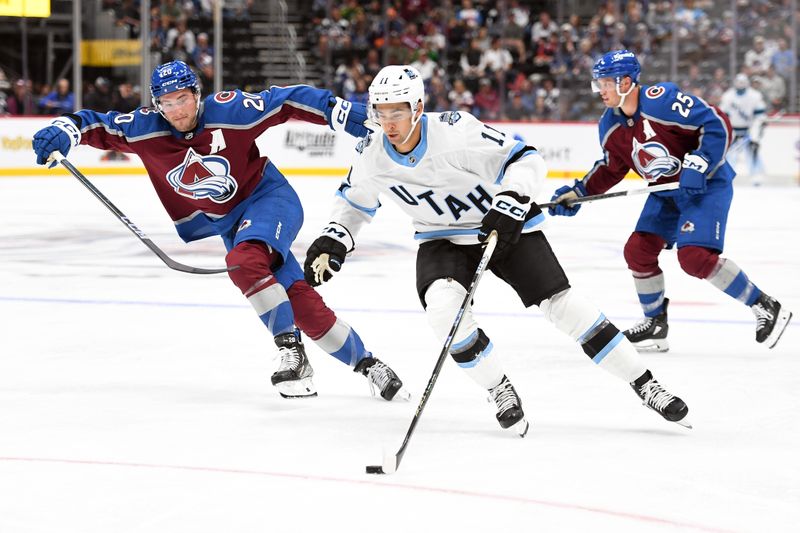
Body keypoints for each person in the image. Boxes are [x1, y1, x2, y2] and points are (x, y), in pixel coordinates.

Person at [303, 65, 691, 436]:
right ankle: (497, 387)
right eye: (380, 112)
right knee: (444, 313)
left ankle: (645, 384)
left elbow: (525, 158)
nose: (388, 122)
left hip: (501, 225)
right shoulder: (371, 152)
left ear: (418, 108)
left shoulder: (455, 132)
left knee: (564, 306)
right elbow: (355, 202)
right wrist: (334, 238)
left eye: (398, 111)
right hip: (441, 238)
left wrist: (509, 202)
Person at [32, 60, 408, 402]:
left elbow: (285, 101)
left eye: (183, 99)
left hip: (268, 199)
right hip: (230, 223)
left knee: (244, 261)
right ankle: (369, 365)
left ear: (197, 94)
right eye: (167, 102)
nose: (177, 110)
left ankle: (290, 350)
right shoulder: (145, 128)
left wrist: (335, 110)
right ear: (156, 104)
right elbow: (95, 124)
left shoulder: (229, 111)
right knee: (299, 300)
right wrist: (65, 129)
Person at [548, 50, 791, 353]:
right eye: (599, 83)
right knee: (637, 251)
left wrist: (700, 161)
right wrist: (580, 192)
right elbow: (612, 167)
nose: (601, 91)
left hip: (706, 185)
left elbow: (716, 123)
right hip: (665, 193)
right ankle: (655, 324)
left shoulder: (661, 101)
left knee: (694, 257)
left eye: (606, 83)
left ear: (625, 82)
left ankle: (765, 305)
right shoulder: (609, 125)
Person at [718, 73, 766, 185]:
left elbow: (760, 116)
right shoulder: (728, 96)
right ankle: (726, 176)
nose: (740, 85)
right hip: (733, 130)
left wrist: (756, 133)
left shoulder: (755, 96)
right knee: (728, 154)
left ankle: (756, 175)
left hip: (748, 130)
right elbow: (723, 116)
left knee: (753, 152)